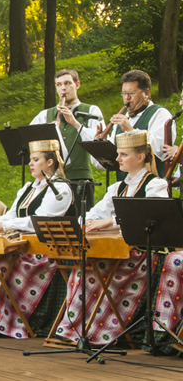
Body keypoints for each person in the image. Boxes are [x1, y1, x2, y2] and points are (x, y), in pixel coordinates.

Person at [54, 130, 167, 345]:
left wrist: (111, 222)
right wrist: (83, 223)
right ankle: (76, 329)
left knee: (92, 271)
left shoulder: (156, 185)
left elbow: (152, 218)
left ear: (141, 157)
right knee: (82, 268)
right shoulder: (118, 187)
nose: (117, 159)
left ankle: (102, 333)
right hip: (117, 251)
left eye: (123, 154)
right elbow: (95, 213)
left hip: (142, 254)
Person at [0, 139, 73, 338]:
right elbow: (12, 215)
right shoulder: (29, 188)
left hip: (45, 252)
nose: (30, 163)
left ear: (50, 162)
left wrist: (5, 226)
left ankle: (9, 320)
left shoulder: (60, 189)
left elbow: (40, 221)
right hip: (23, 248)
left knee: (1, 263)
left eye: (36, 159)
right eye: (31, 159)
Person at [31, 69, 103, 209]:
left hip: (80, 180)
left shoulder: (91, 110)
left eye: (67, 83)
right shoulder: (45, 115)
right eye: (59, 85)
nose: (63, 88)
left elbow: (98, 143)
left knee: (81, 220)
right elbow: (29, 141)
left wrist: (75, 123)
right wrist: (48, 131)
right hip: (51, 182)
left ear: (77, 85)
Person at [94, 70, 173, 182]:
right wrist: (99, 147)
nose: (127, 98)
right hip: (125, 187)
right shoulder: (121, 121)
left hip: (152, 186)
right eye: (124, 93)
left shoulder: (160, 114)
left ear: (146, 93)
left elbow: (161, 150)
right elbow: (107, 164)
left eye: (131, 93)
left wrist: (130, 130)